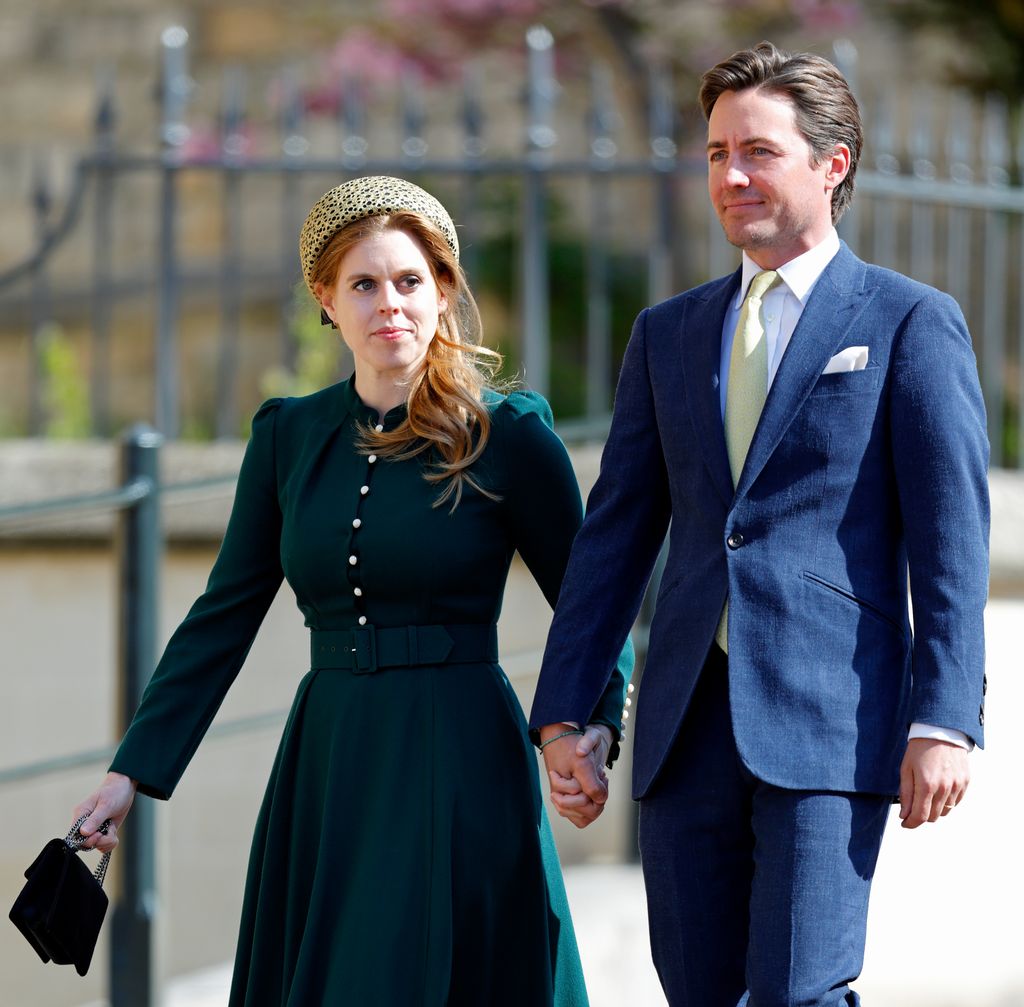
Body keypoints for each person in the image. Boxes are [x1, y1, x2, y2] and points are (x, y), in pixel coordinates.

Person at [72, 175, 631, 1006]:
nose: (389, 304)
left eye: (409, 280)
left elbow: (595, 605)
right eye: (363, 284)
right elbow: (221, 617)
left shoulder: (508, 434)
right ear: (326, 301)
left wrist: (591, 723)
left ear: (443, 290)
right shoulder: (287, 436)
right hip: (331, 763)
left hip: (462, 759)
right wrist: (132, 772)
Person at [529, 41, 990, 1006]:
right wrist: (569, 709)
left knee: (799, 992)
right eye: (716, 153)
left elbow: (952, 543)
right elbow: (616, 535)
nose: (730, 175)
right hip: (683, 727)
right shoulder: (667, 332)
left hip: (831, 723)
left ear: (833, 163)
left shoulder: (909, 320)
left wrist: (943, 716)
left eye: (759, 152)